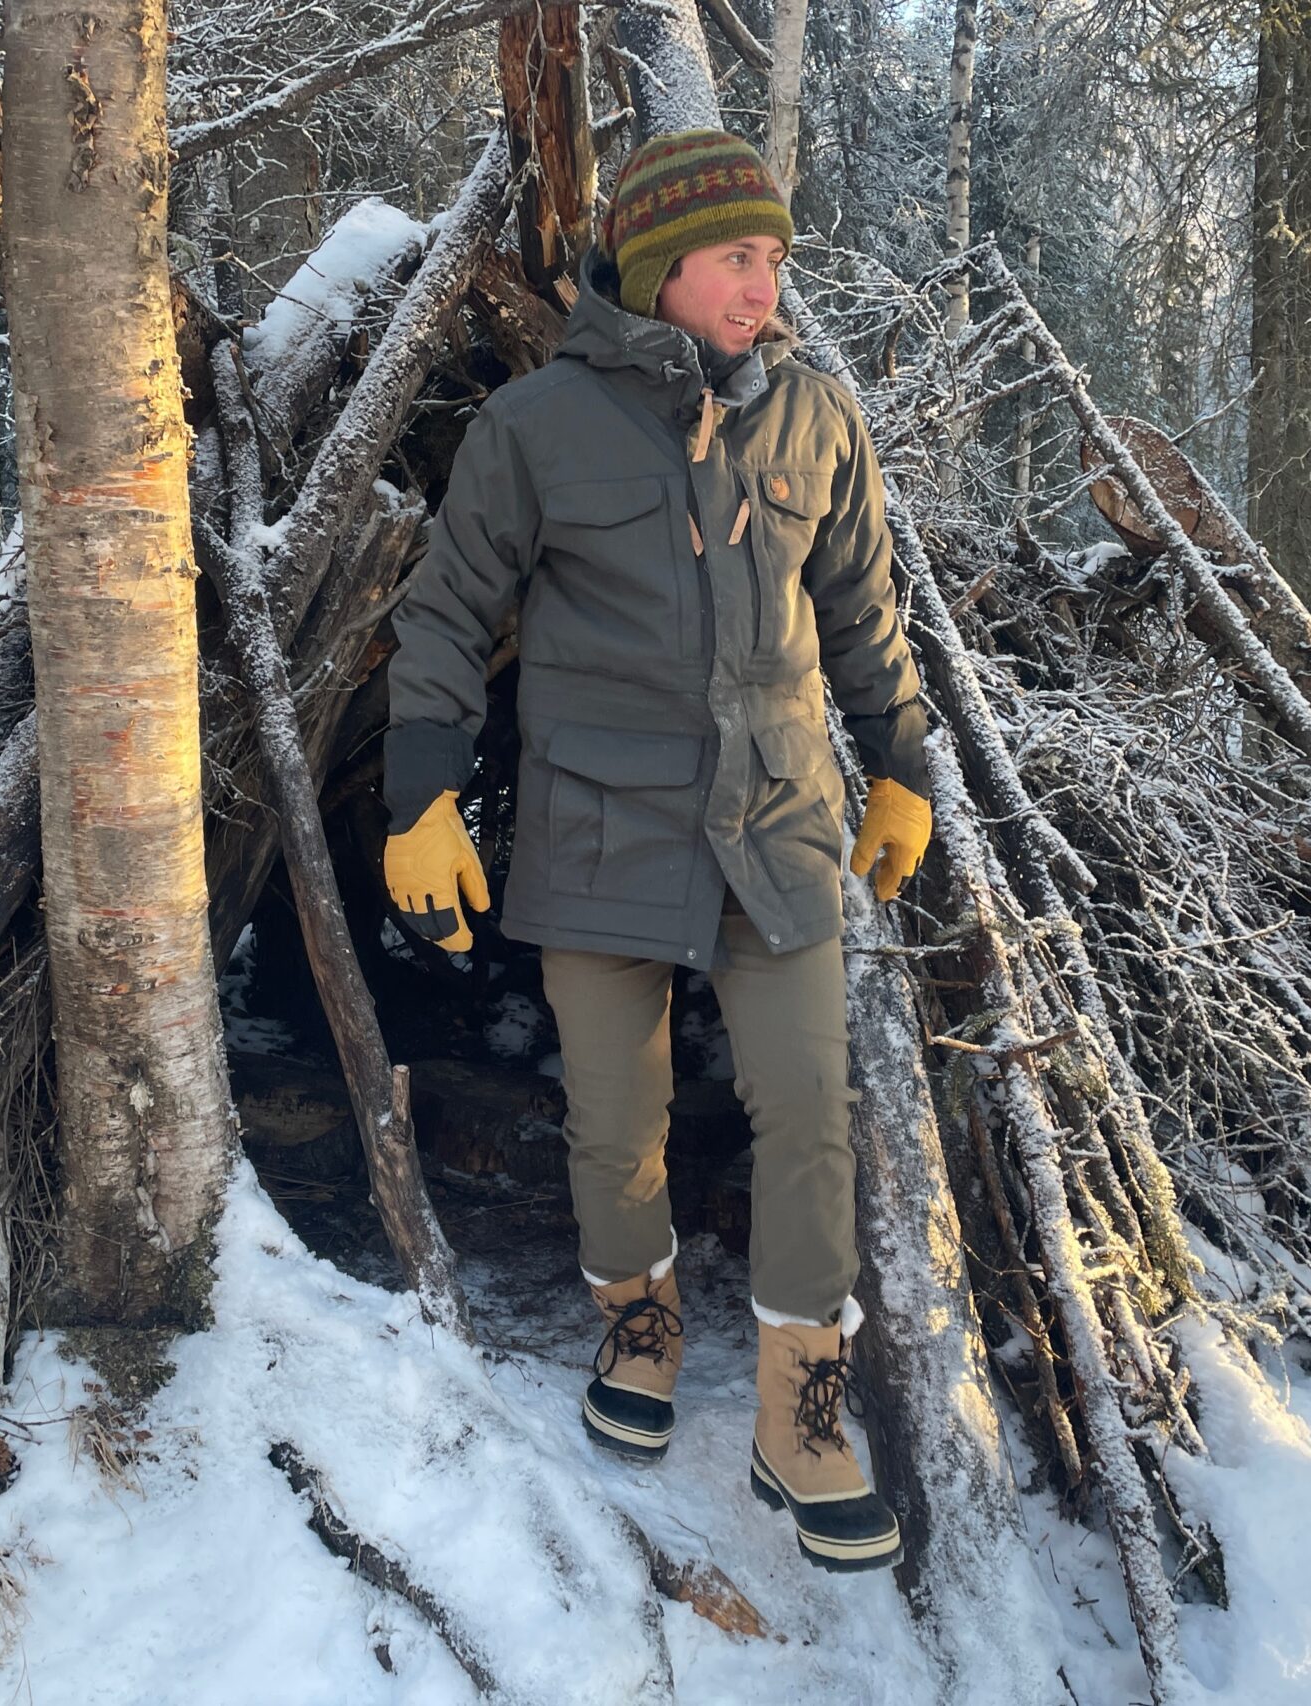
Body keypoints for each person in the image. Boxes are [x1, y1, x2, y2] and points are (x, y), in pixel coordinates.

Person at [380, 128, 933, 1573]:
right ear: (663, 267)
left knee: (812, 1106)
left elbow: (866, 617)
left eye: (776, 260)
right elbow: (443, 613)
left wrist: (906, 770)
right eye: (742, 259)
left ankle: (800, 1408)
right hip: (597, 821)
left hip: (781, 822)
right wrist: (422, 790)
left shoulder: (816, 418)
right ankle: (639, 1320)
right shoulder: (538, 428)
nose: (768, 286)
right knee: (616, 1116)